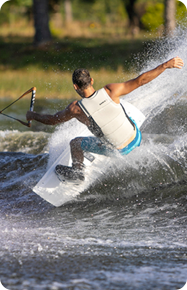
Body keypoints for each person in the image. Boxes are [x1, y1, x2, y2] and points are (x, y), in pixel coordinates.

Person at [26, 56, 184, 181]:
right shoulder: (110, 90)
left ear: (75, 86)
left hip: (120, 150)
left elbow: (53, 119)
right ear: (92, 81)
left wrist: (32, 115)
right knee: (122, 110)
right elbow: (141, 80)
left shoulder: (76, 109)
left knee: (75, 143)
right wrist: (165, 65)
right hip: (136, 137)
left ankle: (77, 172)